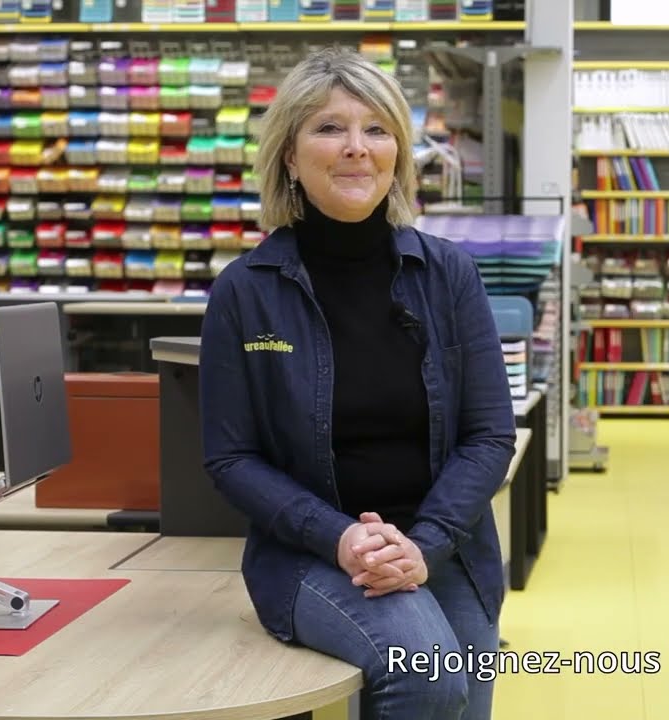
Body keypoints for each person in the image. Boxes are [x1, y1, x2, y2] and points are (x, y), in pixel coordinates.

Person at [198, 45, 517, 720]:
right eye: (329, 128)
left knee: (462, 700)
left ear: (398, 153)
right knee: (428, 677)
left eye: (376, 130)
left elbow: (490, 434)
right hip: (310, 555)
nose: (356, 148)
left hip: (446, 545)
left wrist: (422, 545)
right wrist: (341, 536)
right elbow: (231, 457)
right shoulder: (244, 293)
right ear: (289, 154)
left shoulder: (448, 276)